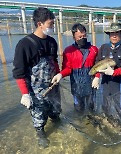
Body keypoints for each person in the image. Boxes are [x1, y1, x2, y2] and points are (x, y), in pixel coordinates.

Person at [12, 7, 61, 148]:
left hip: (53, 86)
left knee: (55, 110)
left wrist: (58, 73)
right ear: (40, 24)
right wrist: (25, 94)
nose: (53, 27)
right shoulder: (24, 44)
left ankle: (57, 124)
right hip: (36, 90)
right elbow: (18, 72)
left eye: (53, 23)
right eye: (50, 24)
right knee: (39, 116)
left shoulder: (52, 42)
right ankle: (40, 133)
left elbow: (54, 60)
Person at [52, 23, 98, 112]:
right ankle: (81, 122)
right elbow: (67, 69)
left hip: (91, 85)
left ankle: (91, 122)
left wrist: (97, 77)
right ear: (74, 37)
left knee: (91, 107)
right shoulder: (68, 51)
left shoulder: (94, 49)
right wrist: (60, 74)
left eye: (84, 36)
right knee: (78, 109)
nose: (82, 38)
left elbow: (99, 66)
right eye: (79, 37)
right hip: (76, 85)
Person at [92, 22, 121, 115]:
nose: (114, 36)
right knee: (105, 105)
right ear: (109, 35)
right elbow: (97, 64)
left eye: (117, 33)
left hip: (118, 83)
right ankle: (107, 120)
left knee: (119, 106)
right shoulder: (103, 47)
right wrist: (97, 77)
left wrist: (113, 72)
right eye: (112, 33)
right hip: (105, 82)